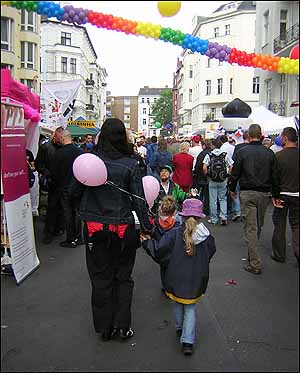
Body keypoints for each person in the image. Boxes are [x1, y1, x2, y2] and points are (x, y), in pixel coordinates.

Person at [69, 118, 153, 342]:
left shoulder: (88, 161)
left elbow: (73, 191)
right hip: (122, 229)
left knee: (100, 277)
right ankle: (122, 326)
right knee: (123, 277)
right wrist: (147, 227)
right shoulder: (131, 163)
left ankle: (104, 327)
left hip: (94, 228)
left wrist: (83, 208)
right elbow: (139, 200)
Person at [141, 198, 216, 356]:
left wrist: (147, 243)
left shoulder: (174, 234)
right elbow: (211, 251)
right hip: (196, 277)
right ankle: (187, 341)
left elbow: (160, 251)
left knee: (177, 302)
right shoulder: (206, 235)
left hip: (175, 276)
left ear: (181, 216)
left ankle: (180, 327)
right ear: (200, 216)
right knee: (190, 308)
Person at [229, 123, 279, 275]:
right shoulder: (269, 153)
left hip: (247, 192)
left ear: (249, 136)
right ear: (261, 135)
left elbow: (235, 172)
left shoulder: (243, 152)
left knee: (251, 227)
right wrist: (276, 195)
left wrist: (232, 189)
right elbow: (275, 176)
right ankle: (253, 255)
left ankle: (255, 262)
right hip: (264, 193)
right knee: (258, 225)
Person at [271, 127, 299, 266]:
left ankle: (279, 254)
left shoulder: (279, 156)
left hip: (283, 194)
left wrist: (275, 195)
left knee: (279, 223)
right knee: (297, 224)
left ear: (286, 138)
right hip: (297, 195)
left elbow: (275, 178)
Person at [53, 130, 84, 248]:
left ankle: (70, 238)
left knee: (68, 213)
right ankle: (78, 237)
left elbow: (55, 172)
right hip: (78, 186)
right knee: (77, 213)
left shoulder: (59, 153)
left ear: (62, 138)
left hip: (64, 187)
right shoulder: (80, 152)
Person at [143, 195, 180, 293]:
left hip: (161, 252)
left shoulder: (155, 223)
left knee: (163, 270)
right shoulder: (177, 225)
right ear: (174, 212)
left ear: (160, 210)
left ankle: (165, 287)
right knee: (174, 270)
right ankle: (172, 286)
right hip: (174, 253)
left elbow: (149, 236)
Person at [35, 126, 65, 244]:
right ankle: (49, 232)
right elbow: (38, 164)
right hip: (52, 181)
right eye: (60, 136)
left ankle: (58, 228)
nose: (61, 139)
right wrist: (47, 173)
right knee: (52, 207)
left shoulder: (63, 147)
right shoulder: (46, 147)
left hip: (61, 182)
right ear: (55, 135)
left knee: (60, 207)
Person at [203, 138, 234, 225]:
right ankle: (224, 217)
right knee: (223, 198)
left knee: (213, 200)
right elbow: (231, 166)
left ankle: (214, 218)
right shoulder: (224, 155)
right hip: (223, 179)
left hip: (212, 180)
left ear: (213, 145)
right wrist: (227, 175)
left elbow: (204, 167)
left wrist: (208, 175)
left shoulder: (209, 155)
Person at [230, 130, 250, 222]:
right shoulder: (253, 147)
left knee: (236, 194)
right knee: (246, 194)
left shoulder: (238, 147)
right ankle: (245, 212)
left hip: (239, 173)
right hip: (249, 175)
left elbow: (233, 162)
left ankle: (238, 212)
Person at [193, 139, 212, 215]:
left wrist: (195, 173)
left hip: (202, 176)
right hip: (211, 176)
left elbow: (198, 165)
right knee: (208, 195)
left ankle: (199, 208)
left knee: (200, 194)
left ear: (203, 145)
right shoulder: (212, 153)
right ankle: (207, 209)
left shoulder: (202, 153)